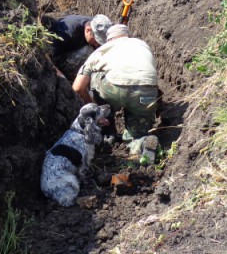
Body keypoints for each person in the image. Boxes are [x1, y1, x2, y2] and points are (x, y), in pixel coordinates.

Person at [72, 24, 159, 164]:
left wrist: (95, 108)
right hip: (146, 93)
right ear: (128, 35)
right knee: (138, 133)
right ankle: (141, 143)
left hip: (113, 90)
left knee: (96, 74)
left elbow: (77, 87)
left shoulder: (102, 50)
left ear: (108, 39)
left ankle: (107, 131)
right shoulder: (142, 45)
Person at [48, 14, 112, 79]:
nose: (98, 44)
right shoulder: (68, 34)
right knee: (87, 51)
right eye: (96, 40)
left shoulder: (95, 24)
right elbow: (46, 55)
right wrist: (61, 77)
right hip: (57, 55)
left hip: (70, 46)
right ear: (88, 30)